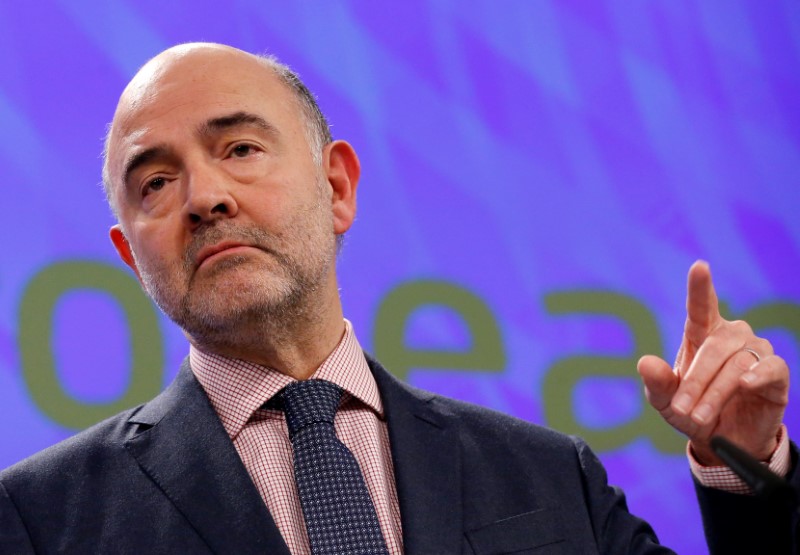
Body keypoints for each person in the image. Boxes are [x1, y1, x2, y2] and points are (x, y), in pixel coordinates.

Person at [0, 42, 795, 554]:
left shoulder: (550, 478)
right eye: (156, 182)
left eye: (239, 147)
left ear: (337, 185)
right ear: (128, 253)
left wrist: (748, 466)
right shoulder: (41, 518)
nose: (204, 196)